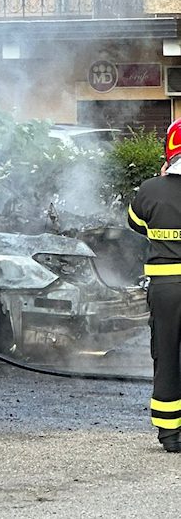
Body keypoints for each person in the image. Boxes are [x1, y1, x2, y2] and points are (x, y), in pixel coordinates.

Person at [128, 118, 181, 453]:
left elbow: (135, 223)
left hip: (165, 289)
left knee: (166, 354)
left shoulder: (150, 190)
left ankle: (170, 435)